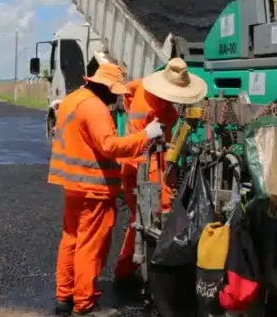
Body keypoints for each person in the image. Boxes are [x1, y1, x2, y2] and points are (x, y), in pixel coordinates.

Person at [49, 62, 165, 317]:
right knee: (91, 246)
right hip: (94, 188)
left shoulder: (72, 100)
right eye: (114, 92)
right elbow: (110, 146)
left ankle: (64, 296)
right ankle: (84, 304)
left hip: (73, 184)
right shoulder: (95, 108)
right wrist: (146, 135)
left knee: (71, 240)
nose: (116, 98)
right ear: (104, 87)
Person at [113, 58, 207, 288]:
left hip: (148, 163)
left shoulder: (153, 96)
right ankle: (148, 271)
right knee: (152, 217)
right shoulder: (148, 107)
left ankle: (128, 270)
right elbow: (145, 150)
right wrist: (166, 186)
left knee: (142, 218)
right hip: (142, 168)